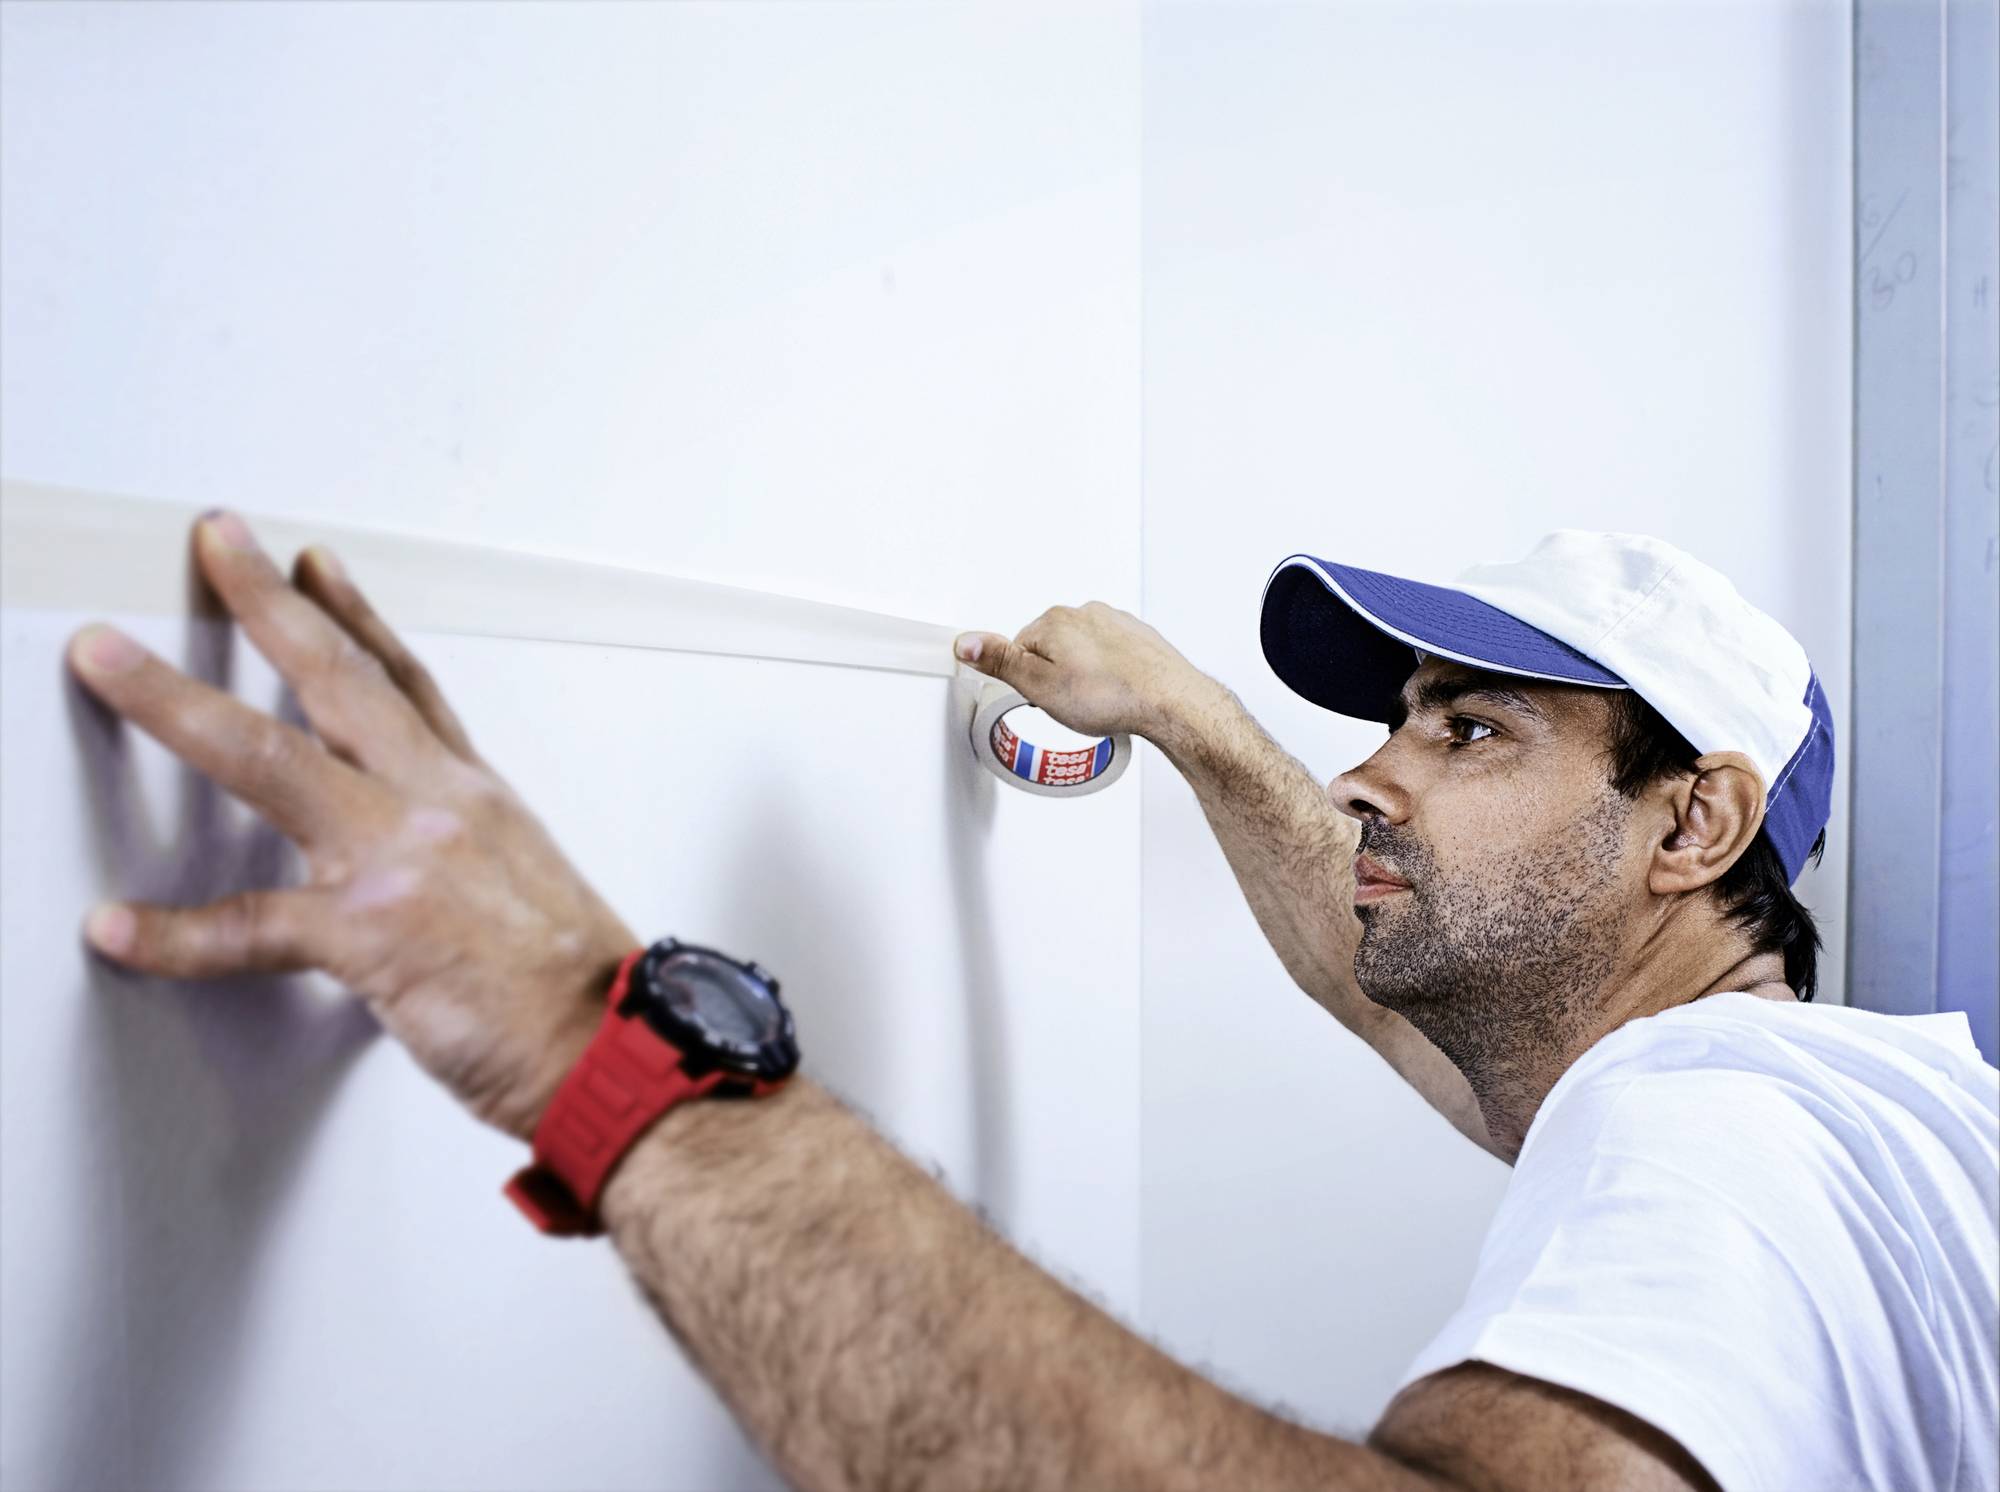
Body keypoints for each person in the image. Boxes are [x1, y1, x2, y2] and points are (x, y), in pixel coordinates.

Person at [66, 512, 1997, 1492]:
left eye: (1468, 731)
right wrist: (1192, 721)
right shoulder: (1806, 1106)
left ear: (1694, 824)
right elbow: (1383, 982)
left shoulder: (1708, 1130)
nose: (1366, 781)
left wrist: (588, 1032)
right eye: (1393, 722)